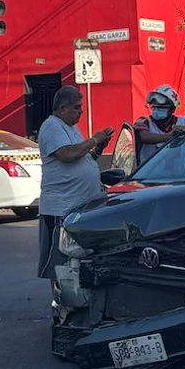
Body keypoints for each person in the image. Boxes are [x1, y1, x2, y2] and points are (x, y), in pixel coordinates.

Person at [36, 85, 112, 280]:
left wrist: (98, 148)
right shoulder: (52, 126)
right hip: (60, 209)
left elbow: (82, 157)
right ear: (62, 108)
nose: (81, 111)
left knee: (77, 262)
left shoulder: (71, 128)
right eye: (77, 107)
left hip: (79, 206)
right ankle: (60, 304)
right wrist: (94, 139)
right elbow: (67, 154)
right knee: (59, 264)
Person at [133, 84, 185, 165]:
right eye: (154, 108)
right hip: (149, 176)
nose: (156, 111)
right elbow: (143, 136)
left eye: (161, 108)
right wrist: (170, 137)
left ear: (172, 109)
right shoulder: (144, 121)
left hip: (179, 175)